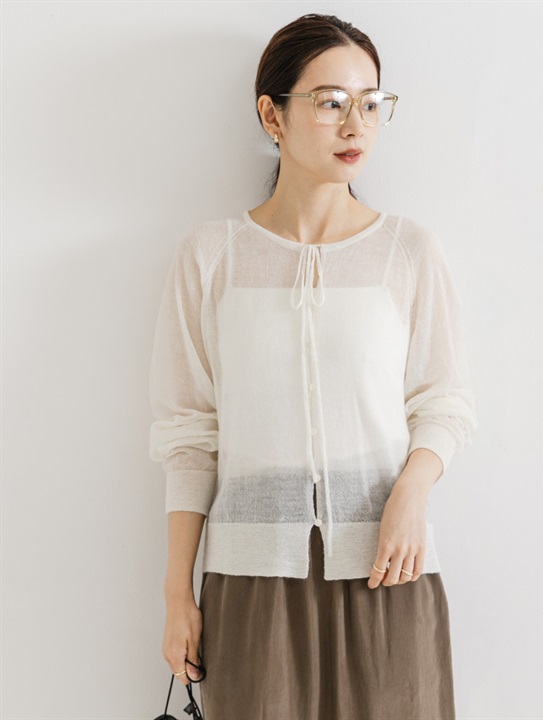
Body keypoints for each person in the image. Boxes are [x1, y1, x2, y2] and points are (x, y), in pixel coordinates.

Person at [148, 13, 478, 720]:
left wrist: (412, 493)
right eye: (331, 102)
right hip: (251, 582)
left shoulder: (409, 252)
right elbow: (189, 435)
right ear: (272, 115)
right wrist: (178, 593)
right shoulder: (212, 256)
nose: (356, 124)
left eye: (371, 102)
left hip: (391, 570)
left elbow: (444, 402)